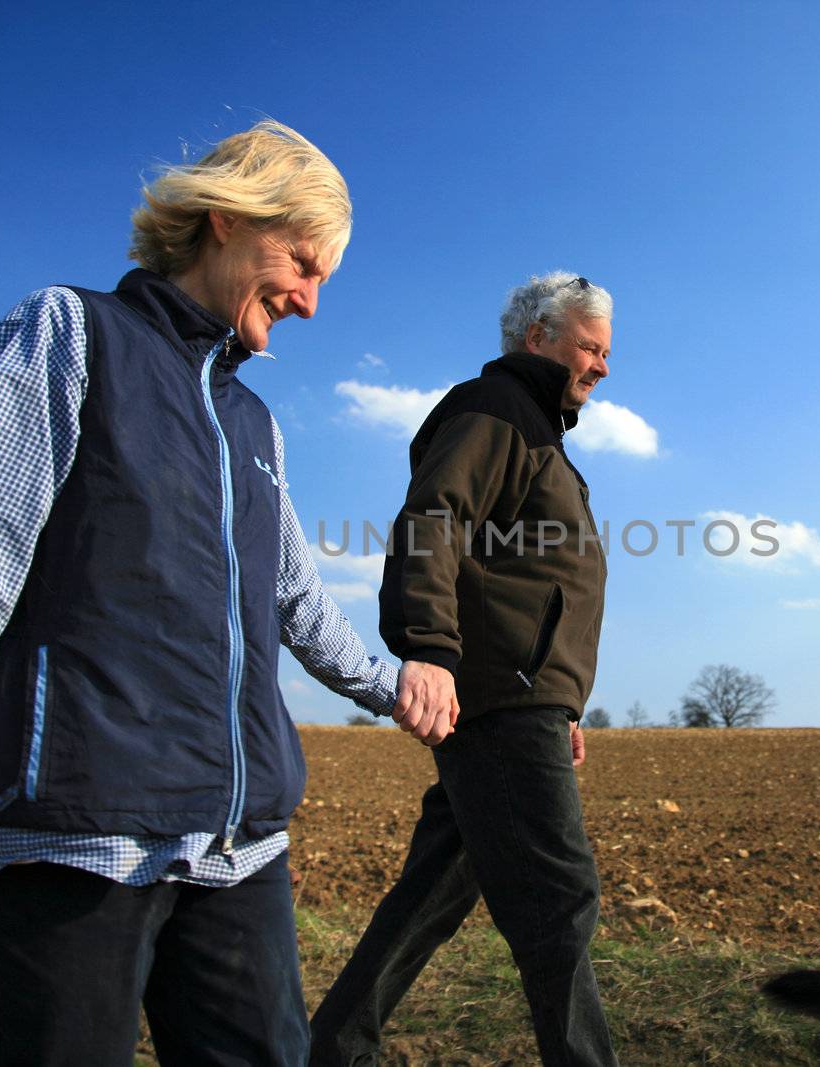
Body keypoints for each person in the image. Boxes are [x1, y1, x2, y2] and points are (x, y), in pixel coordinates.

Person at [0, 121, 446, 1066]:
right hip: (73, 848)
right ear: (225, 219)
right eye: (302, 261)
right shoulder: (70, 334)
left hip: (237, 855)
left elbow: (295, 601)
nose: (311, 301)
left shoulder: (254, 420)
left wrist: (393, 683)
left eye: (324, 276)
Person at [310, 272, 618, 1066]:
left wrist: (565, 700)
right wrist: (430, 649)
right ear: (538, 338)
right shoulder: (495, 410)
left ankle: (333, 1048)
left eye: (606, 351)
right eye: (590, 346)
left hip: (523, 695)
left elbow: (536, 582)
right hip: (497, 694)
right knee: (559, 897)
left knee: (438, 887)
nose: (604, 366)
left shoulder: (538, 429)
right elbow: (433, 519)